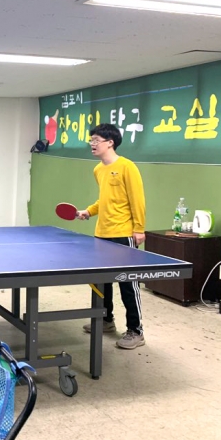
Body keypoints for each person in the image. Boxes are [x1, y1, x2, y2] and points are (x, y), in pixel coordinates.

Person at [77, 123, 146, 349]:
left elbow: (137, 199)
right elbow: (104, 199)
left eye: (96, 140)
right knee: (101, 283)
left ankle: (136, 330)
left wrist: (139, 228)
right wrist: (89, 211)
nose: (92, 144)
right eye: (91, 140)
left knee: (128, 284)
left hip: (123, 233)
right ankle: (106, 320)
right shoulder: (98, 169)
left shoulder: (127, 166)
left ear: (110, 142)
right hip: (101, 233)